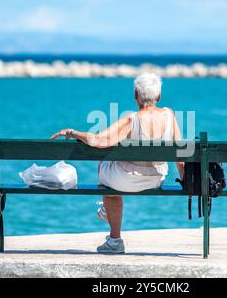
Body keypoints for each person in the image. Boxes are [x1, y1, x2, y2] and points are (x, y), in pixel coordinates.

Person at [51, 73, 184, 254]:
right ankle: (107, 213)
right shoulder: (170, 115)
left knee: (104, 167)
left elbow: (99, 140)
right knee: (110, 170)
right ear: (159, 96)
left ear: (136, 95)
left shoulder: (132, 119)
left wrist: (73, 132)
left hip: (126, 180)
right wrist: (185, 182)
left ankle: (114, 239)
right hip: (157, 178)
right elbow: (181, 154)